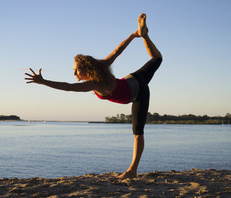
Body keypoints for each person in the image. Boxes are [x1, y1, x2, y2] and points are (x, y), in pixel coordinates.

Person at [25, 13, 162, 179]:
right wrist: (134, 35)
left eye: (76, 69)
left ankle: (132, 170)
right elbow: (117, 51)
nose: (73, 72)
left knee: (138, 132)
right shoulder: (102, 66)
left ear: (86, 69)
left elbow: (68, 87)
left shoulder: (94, 84)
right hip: (134, 79)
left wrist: (44, 82)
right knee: (157, 58)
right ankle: (144, 34)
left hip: (138, 91)